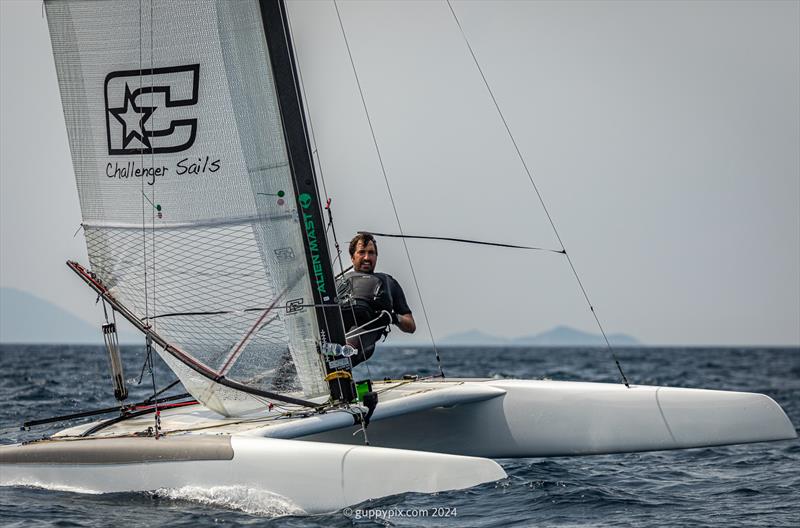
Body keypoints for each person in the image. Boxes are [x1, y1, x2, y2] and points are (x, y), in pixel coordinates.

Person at [336, 232, 416, 366]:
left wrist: (394, 317)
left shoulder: (388, 283)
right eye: (361, 252)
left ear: (376, 256)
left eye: (371, 253)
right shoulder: (338, 282)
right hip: (335, 335)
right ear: (352, 257)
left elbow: (411, 326)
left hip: (364, 336)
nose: (367, 257)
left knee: (344, 351)